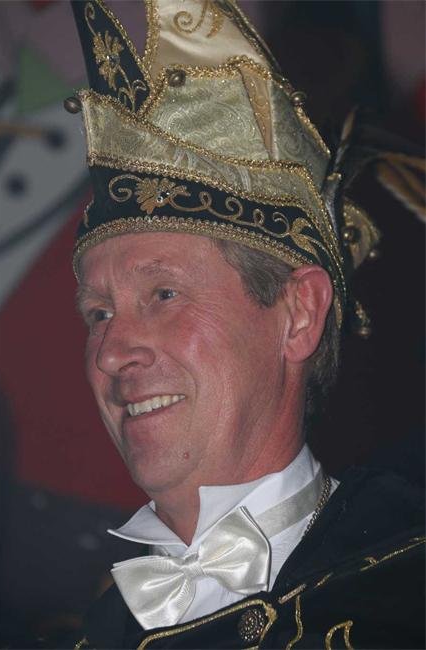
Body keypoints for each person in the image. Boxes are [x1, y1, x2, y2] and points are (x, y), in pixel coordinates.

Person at [65, 0, 424, 647]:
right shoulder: (99, 631)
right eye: (99, 312)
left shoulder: (402, 587)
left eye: (164, 293)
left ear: (298, 314)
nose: (111, 351)